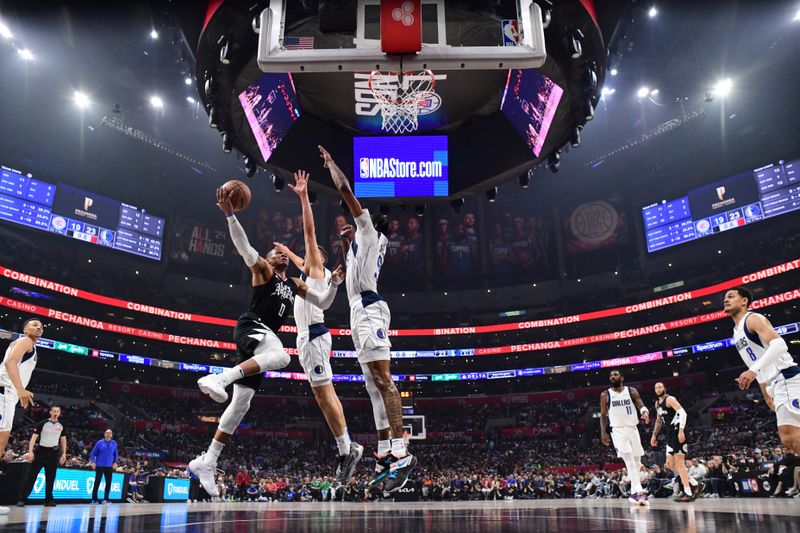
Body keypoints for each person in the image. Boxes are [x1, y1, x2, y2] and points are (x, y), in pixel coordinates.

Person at [189, 185, 344, 497]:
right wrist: (231, 216)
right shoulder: (263, 271)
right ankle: (220, 377)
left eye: (280, 253)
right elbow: (244, 246)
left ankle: (208, 461)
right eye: (275, 253)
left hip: (261, 342)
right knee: (282, 356)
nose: (278, 255)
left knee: (241, 403)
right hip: (252, 327)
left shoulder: (295, 283)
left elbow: (324, 303)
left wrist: (335, 284)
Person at [318, 145, 417, 495]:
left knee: (383, 379)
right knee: (372, 387)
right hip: (358, 309)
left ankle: (401, 450)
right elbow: (350, 271)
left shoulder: (372, 233)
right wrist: (346, 245)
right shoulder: (365, 244)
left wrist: (332, 163)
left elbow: (346, 190)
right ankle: (385, 453)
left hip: (370, 309)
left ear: (370, 224)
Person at [273, 169, 363, 484]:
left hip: (312, 337)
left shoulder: (316, 267)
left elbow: (309, 234)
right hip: (311, 338)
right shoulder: (312, 272)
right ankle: (346, 447)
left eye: (310, 255)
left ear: (318, 259)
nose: (306, 256)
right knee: (324, 396)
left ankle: (347, 448)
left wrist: (303, 198)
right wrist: (284, 252)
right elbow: (300, 257)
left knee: (324, 396)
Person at [725, 286, 800, 454]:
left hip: (786, 376)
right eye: (725, 297)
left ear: (744, 301)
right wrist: (766, 396)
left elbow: (780, 345)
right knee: (790, 436)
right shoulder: (735, 333)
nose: (726, 299)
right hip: (776, 383)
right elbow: (756, 364)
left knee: (789, 435)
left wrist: (752, 370)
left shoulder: (753, 319)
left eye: (731, 296)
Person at [0, 317, 42, 515]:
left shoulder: (30, 346)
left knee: (1, 444)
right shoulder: (25, 341)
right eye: (34, 324)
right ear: (25, 329)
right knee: (0, 444)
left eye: (41, 326)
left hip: (8, 394)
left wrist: (22, 389)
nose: (39, 327)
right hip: (4, 392)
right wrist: (20, 389)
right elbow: (10, 363)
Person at [600, 370, 650, 506]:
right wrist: (603, 432)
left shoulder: (631, 391)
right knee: (629, 462)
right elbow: (603, 415)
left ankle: (633, 493)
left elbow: (640, 403)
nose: (612, 377)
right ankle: (639, 492)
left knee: (637, 462)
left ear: (621, 378)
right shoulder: (605, 394)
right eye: (610, 375)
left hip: (633, 429)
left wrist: (644, 411)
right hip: (618, 431)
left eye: (615, 375)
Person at [650, 382, 701, 502]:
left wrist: (681, 430)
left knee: (679, 463)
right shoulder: (657, 404)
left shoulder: (670, 399)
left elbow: (683, 413)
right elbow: (658, 421)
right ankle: (695, 483)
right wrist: (654, 435)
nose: (658, 389)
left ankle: (688, 492)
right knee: (671, 465)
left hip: (678, 430)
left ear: (664, 388)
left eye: (660, 387)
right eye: (656, 387)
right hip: (669, 435)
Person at [17, 405, 67, 507]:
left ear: (60, 413)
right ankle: (22, 499)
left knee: (50, 478)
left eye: (58, 411)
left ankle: (48, 500)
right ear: (50, 412)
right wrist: (30, 451)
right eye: (54, 411)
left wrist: (64, 454)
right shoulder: (42, 423)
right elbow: (33, 438)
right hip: (41, 452)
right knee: (32, 476)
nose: (55, 413)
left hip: (53, 454)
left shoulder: (61, 425)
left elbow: (63, 440)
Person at [89, 429, 118, 503]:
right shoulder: (99, 443)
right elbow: (92, 454)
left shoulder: (114, 443)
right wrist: (92, 462)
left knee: (108, 483)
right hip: (100, 465)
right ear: (104, 434)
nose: (108, 434)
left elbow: (115, 454)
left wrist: (115, 462)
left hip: (109, 466)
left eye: (110, 433)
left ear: (111, 435)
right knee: (97, 482)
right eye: (107, 433)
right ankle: (94, 499)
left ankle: (106, 499)